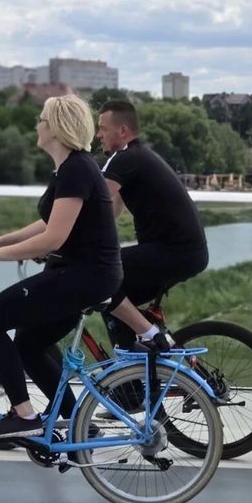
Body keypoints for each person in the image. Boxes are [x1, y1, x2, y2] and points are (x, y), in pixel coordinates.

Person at [0, 95, 122, 438]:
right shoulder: (71, 168)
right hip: (83, 275)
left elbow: (52, 240)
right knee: (28, 345)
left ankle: (24, 416)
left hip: (83, 276)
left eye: (41, 119)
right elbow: (48, 224)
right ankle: (79, 423)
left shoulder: (76, 169)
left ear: (56, 128)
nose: (37, 125)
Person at [94, 100, 209, 348]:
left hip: (173, 252)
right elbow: (108, 214)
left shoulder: (124, 159)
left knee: (100, 276)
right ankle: (135, 373)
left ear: (122, 131)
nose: (98, 134)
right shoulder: (138, 156)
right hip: (186, 252)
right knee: (113, 301)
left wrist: (59, 242)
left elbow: (92, 208)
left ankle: (154, 340)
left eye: (102, 128)